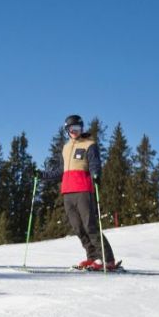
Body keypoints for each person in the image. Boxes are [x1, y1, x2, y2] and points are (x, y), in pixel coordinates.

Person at [44, 115, 116, 270]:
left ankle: (108, 260)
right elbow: (61, 171)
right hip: (68, 192)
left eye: (77, 128)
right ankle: (93, 257)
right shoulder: (66, 147)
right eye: (71, 129)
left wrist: (96, 174)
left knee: (90, 225)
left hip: (83, 189)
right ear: (67, 130)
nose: (74, 131)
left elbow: (95, 163)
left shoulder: (89, 144)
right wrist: (43, 175)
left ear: (82, 129)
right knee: (77, 227)